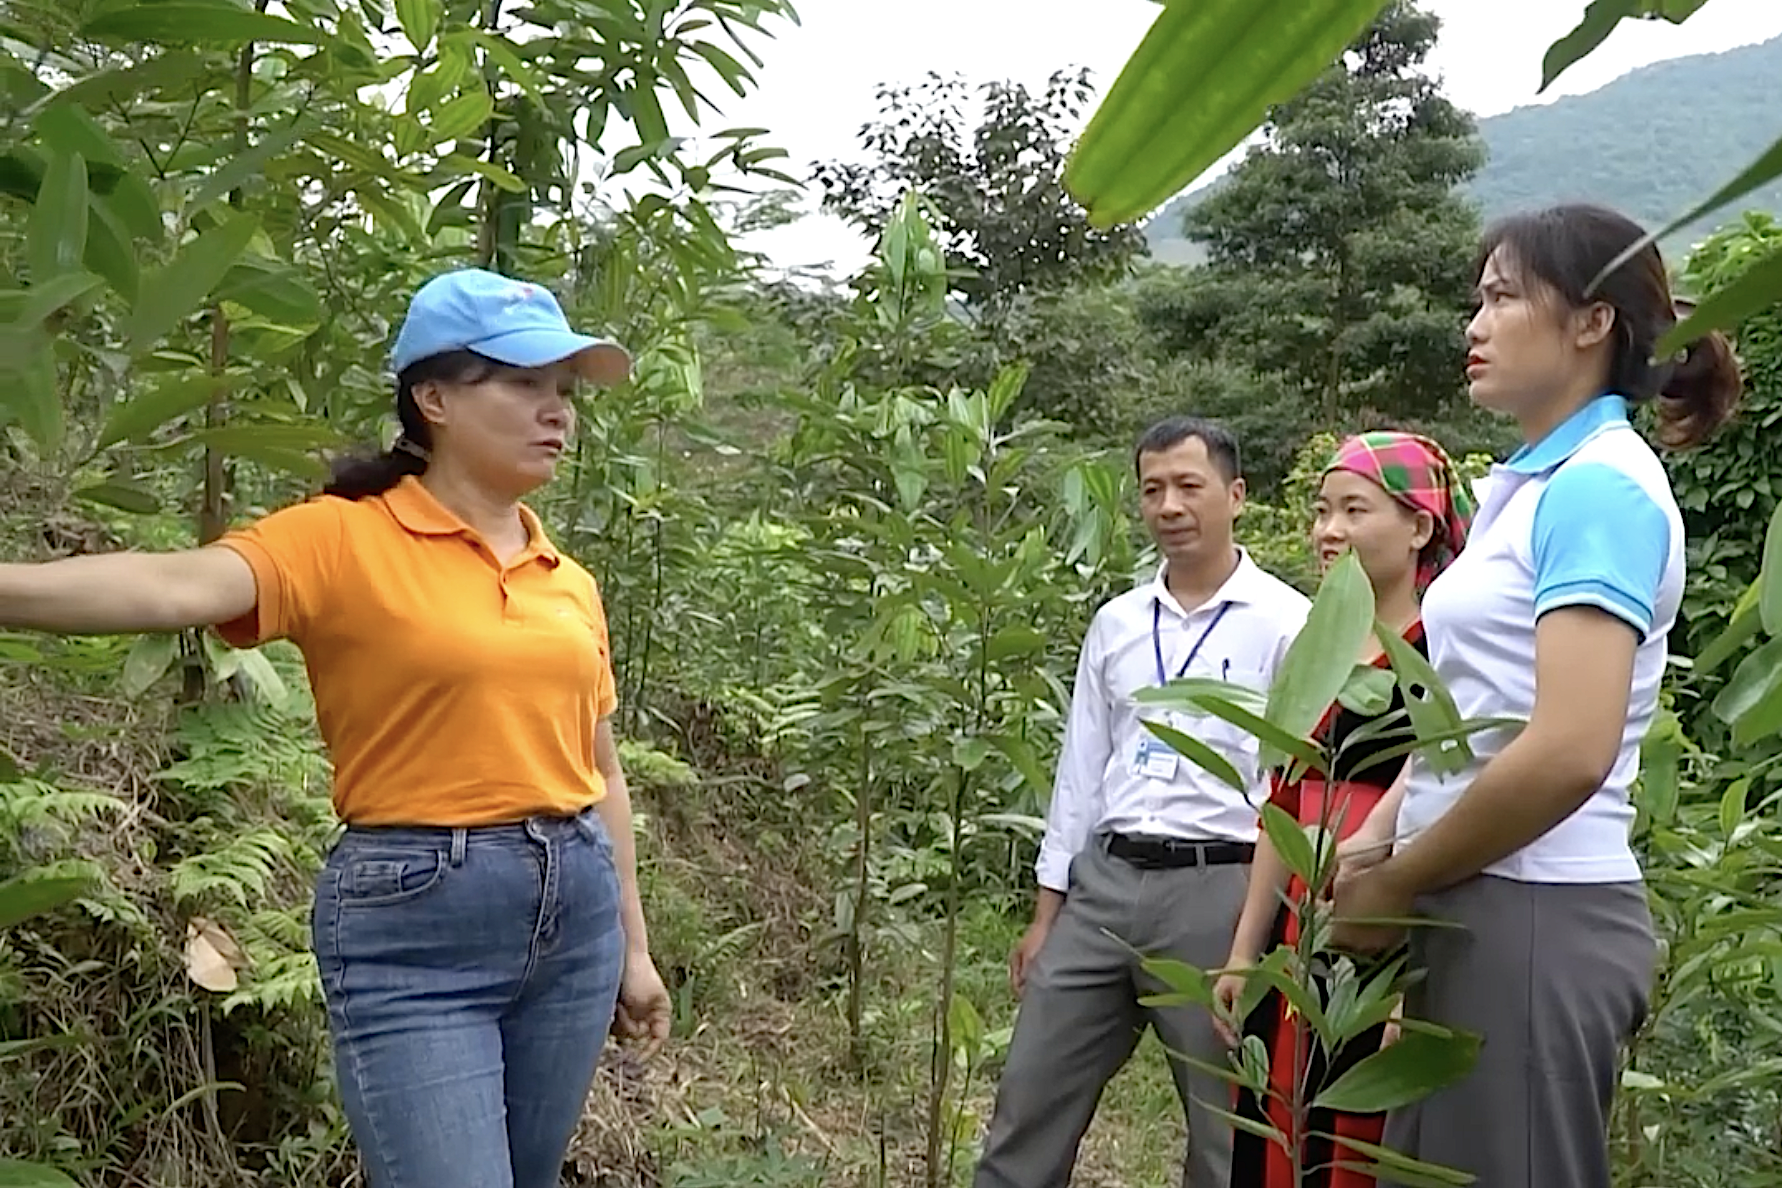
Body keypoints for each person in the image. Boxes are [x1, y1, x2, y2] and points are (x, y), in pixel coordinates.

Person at [0, 268, 673, 1188]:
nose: (556, 410)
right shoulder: (342, 538)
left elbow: (602, 774)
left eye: (563, 390)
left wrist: (634, 950)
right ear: (432, 398)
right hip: (416, 921)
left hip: (575, 927)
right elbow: (172, 585)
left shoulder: (567, 579)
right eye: (521, 383)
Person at [1331, 203, 1742, 1187]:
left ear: (1592, 321)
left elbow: (1567, 749)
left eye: (1504, 297)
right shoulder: (1533, 486)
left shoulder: (1601, 490)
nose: (1475, 324)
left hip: (1532, 914)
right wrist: (1384, 830)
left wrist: (1399, 877)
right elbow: (1481, 711)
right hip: (1481, 904)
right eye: (1478, 300)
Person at [974, 417, 1313, 1188]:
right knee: (1028, 1099)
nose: (1169, 506)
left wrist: (1261, 939)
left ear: (1236, 495)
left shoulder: (1288, 622)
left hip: (1218, 888)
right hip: (1105, 885)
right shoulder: (1119, 623)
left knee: (1226, 1127)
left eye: (1189, 486)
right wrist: (1046, 912)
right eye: (1153, 489)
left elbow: (1296, 787)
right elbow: (1080, 769)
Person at [1215, 431, 1475, 1188]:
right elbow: (1281, 810)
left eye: (1354, 510)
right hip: (1294, 945)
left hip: (1376, 947)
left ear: (1420, 525)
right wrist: (1243, 951)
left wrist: (1408, 992)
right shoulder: (1313, 651)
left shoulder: (1442, 653)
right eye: (1322, 510)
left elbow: (1447, 812)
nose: (1328, 530)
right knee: (1273, 1137)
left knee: (1350, 1147)